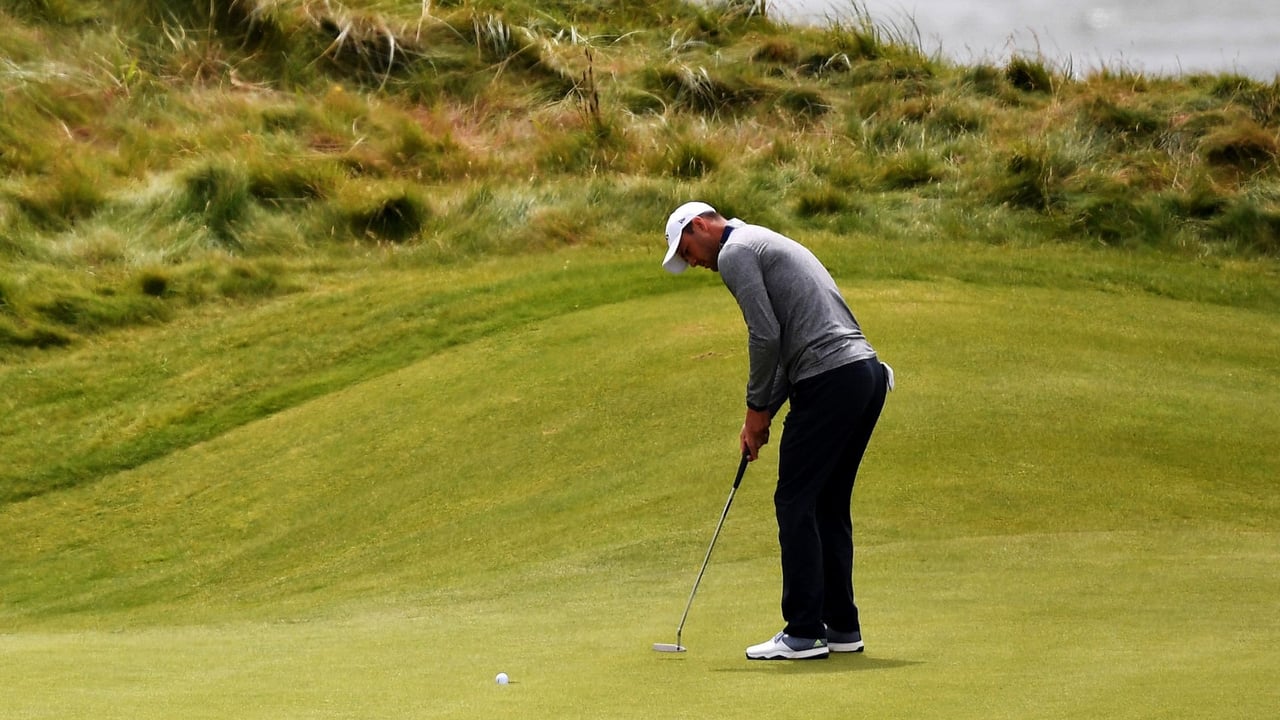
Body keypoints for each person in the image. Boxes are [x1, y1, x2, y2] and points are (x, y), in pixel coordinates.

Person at [661, 201, 892, 660]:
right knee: (826, 503)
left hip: (830, 378)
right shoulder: (762, 240)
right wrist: (764, 413)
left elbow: (764, 335)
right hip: (863, 376)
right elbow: (790, 345)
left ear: (700, 226)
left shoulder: (735, 251)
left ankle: (803, 632)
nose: (692, 261)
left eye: (685, 249)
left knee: (794, 501)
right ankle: (842, 627)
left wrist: (754, 410)